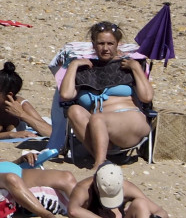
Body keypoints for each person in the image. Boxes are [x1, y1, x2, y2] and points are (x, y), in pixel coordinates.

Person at [59, 21, 154, 168]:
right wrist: (73, 65)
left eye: (110, 43)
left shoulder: (129, 66)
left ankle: (99, 164)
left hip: (129, 122)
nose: (105, 48)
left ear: (118, 44)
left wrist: (135, 68)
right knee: (73, 110)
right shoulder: (85, 69)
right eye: (100, 43)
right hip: (98, 127)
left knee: (98, 118)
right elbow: (66, 95)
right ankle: (102, 156)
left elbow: (147, 97)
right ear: (93, 44)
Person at [68, 161, 168, 218]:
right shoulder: (84, 188)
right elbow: (72, 211)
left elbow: (160, 211)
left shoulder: (126, 186)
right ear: (95, 184)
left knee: (141, 204)